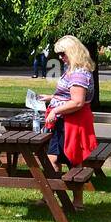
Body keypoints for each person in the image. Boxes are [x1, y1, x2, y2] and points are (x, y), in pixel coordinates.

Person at [39, 35, 98, 166]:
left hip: (72, 122)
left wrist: (55, 111)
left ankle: (73, 185)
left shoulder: (79, 73)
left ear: (72, 51)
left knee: (70, 159)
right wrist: (52, 97)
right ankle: (58, 186)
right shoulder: (72, 68)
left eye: (62, 53)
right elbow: (69, 95)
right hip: (67, 120)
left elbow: (77, 102)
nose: (60, 57)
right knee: (55, 158)